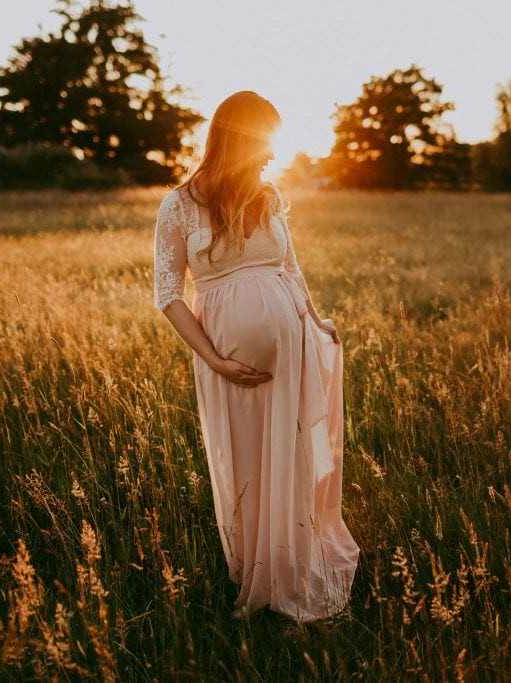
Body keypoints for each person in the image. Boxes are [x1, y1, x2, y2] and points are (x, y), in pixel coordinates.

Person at [152, 90, 360, 623]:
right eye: (264, 142)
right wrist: (213, 359)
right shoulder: (178, 205)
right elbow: (168, 294)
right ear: (238, 140)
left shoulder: (268, 196)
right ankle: (260, 577)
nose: (271, 155)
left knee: (288, 459)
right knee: (248, 461)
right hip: (228, 359)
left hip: (292, 354)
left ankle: (291, 568)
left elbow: (291, 269)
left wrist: (316, 322)